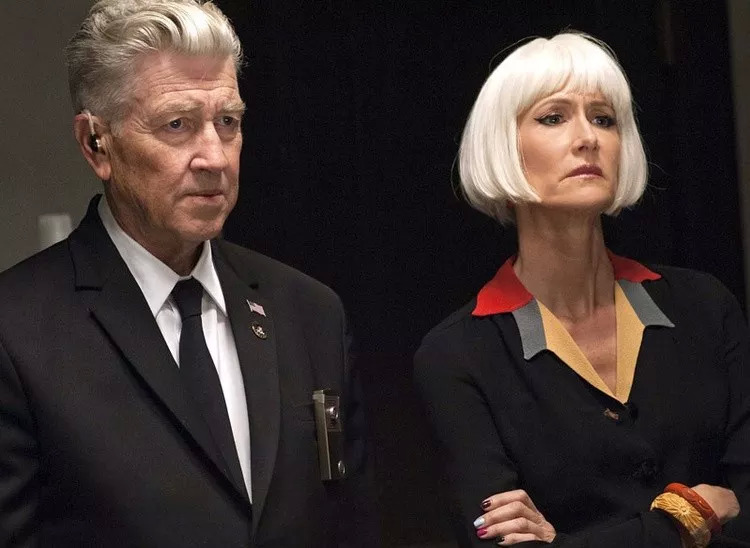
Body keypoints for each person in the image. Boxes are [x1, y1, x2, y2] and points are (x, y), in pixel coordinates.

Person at [0, 1, 375, 546]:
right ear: (96, 144)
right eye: (177, 125)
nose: (215, 158)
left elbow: (350, 525)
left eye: (228, 123)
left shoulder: (309, 312)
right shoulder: (17, 333)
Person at [414, 32, 750, 547]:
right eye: (553, 118)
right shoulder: (456, 354)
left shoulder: (706, 306)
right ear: (502, 147)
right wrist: (690, 516)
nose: (588, 137)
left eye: (603, 118)